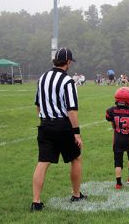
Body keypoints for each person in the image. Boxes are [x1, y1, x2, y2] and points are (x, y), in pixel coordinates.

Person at [32, 47, 86, 212]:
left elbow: (38, 105)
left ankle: (36, 202)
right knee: (75, 158)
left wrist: (45, 120)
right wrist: (76, 133)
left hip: (45, 124)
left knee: (43, 162)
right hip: (62, 125)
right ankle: (76, 195)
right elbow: (71, 110)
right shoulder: (68, 81)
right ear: (68, 62)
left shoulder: (42, 78)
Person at [106, 87, 129, 189]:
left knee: (118, 161)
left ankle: (118, 184)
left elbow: (113, 124)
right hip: (128, 138)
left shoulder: (111, 110)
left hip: (117, 138)